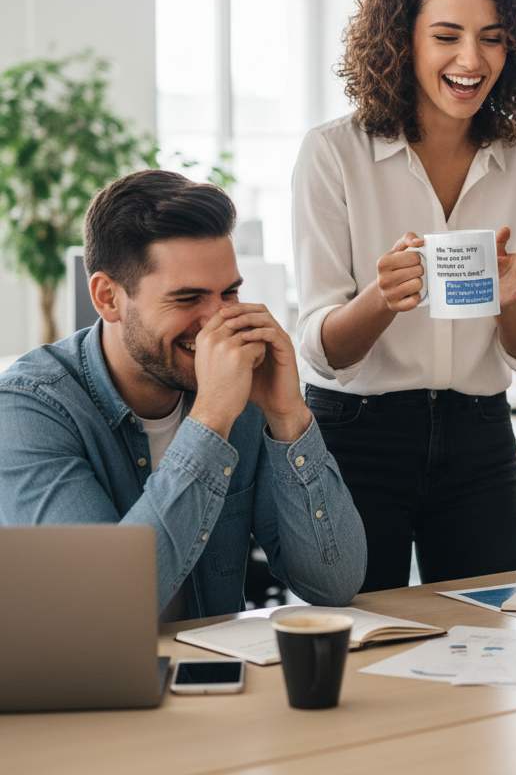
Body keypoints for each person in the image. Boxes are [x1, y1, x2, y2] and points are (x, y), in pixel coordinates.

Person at [292, 0, 516, 592]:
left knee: (489, 637)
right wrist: (379, 300)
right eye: (446, 36)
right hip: (356, 436)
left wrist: (511, 305)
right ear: (402, 38)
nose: (471, 60)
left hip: (479, 437)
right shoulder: (334, 153)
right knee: (357, 641)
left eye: (494, 37)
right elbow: (323, 349)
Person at [0, 170, 367, 619]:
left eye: (229, 293)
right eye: (188, 298)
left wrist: (288, 415)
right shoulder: (27, 409)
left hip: (220, 677)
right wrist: (211, 419)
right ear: (108, 297)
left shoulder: (245, 391)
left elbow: (334, 584)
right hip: (91, 687)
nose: (218, 322)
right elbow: (101, 608)